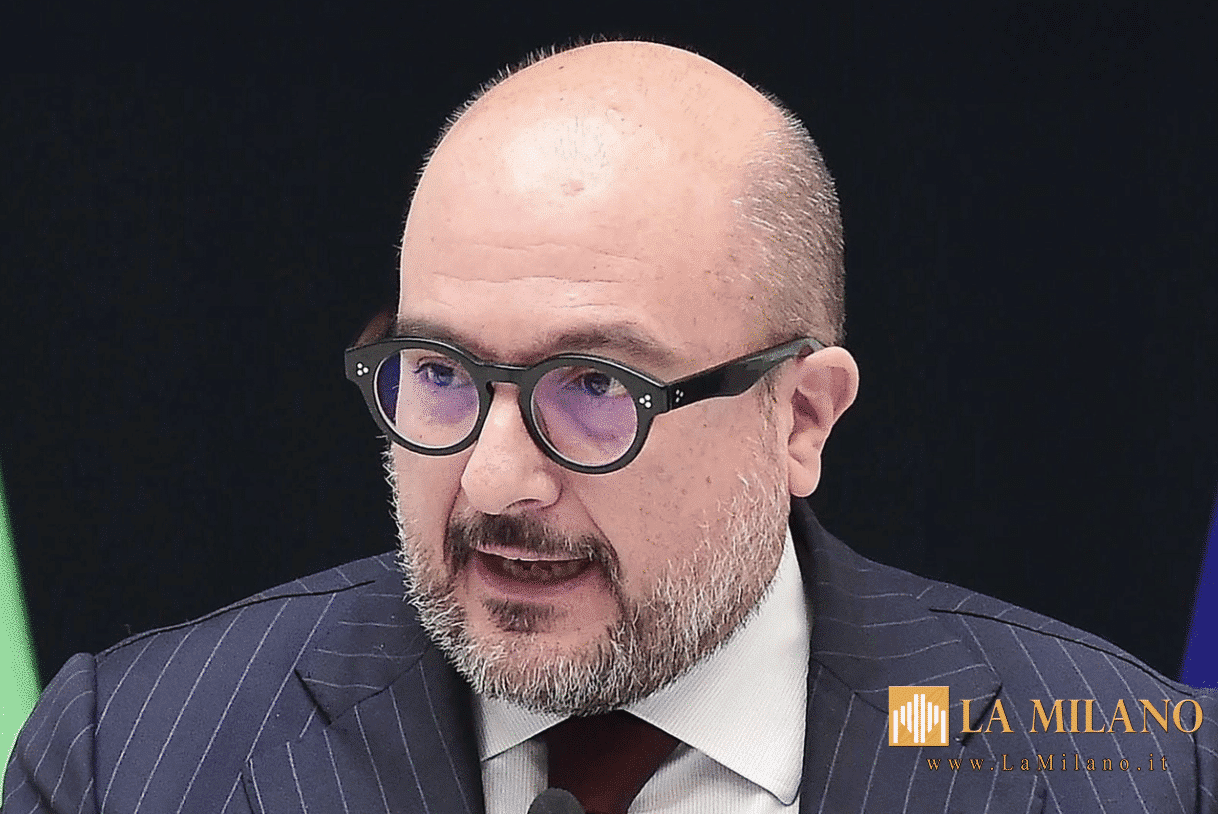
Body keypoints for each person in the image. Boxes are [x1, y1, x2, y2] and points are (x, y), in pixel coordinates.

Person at [4, 40, 1215, 814]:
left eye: (594, 386)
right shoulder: (128, 756)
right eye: (440, 372)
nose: (494, 480)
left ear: (801, 416)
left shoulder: (1141, 771)